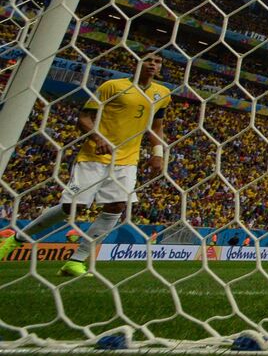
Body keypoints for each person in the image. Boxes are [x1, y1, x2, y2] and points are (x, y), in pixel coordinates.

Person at [0, 53, 171, 278]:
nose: (153, 64)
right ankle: (17, 238)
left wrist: (158, 153)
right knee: (73, 207)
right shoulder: (112, 86)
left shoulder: (163, 93)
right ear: (136, 62)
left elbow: (156, 127)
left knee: (117, 207)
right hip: (94, 157)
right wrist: (97, 138)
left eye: (158, 61)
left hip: (128, 160)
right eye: (148, 59)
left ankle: (76, 261)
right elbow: (84, 118)